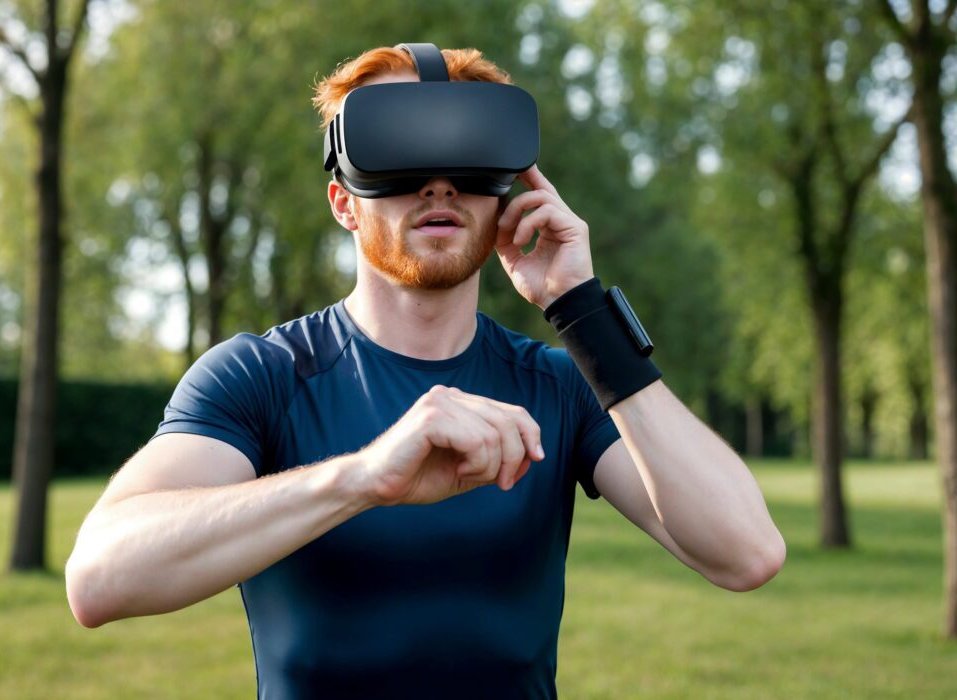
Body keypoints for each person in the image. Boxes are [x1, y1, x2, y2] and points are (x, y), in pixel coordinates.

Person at [65, 46, 785, 699]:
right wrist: (363, 478)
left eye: (469, 157)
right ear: (344, 201)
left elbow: (745, 553)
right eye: (399, 154)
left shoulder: (561, 385)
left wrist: (583, 312)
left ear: (505, 195)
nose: (439, 183)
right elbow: (99, 578)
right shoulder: (262, 377)